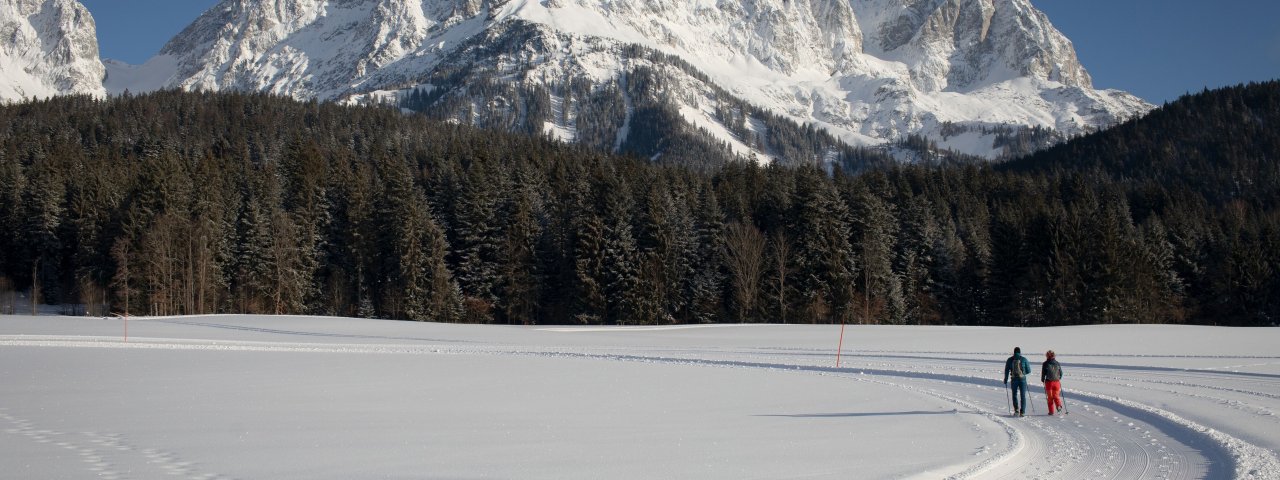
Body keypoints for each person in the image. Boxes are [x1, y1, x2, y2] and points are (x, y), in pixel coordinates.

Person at [1003, 347, 1031, 416]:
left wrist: (1005, 379)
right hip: (1022, 379)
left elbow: (1006, 370)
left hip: (1014, 379)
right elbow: (1029, 370)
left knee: (1014, 394)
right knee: (1023, 395)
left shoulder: (1010, 360)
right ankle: (1023, 412)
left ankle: (1016, 410)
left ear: (1014, 352)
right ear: (1020, 352)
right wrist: (1023, 373)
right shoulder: (1024, 359)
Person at [1042, 350, 1065, 415]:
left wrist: (1042, 379)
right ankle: (1058, 405)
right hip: (1057, 382)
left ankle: (1051, 411)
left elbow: (1043, 374)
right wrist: (1058, 378)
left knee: (1050, 398)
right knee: (1056, 396)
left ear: (1047, 355)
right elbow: (1061, 373)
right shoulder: (1057, 363)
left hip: (1049, 383)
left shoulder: (1045, 363)